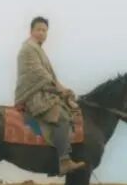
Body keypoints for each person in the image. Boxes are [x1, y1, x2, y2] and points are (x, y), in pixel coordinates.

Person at [14, 15, 86, 175]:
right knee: (62, 117)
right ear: (31, 31)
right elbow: (40, 75)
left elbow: (47, 77)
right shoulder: (28, 49)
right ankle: (64, 161)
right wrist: (60, 89)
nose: (41, 33)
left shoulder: (38, 49)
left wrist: (63, 90)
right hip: (34, 95)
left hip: (42, 92)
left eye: (44, 30)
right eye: (38, 29)